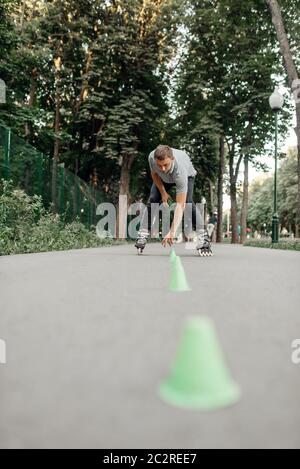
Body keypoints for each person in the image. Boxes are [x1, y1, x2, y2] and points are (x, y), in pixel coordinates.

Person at [135, 145, 212, 254]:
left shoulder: (180, 171)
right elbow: (155, 174)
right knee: (153, 199)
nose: (163, 169)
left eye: (165, 165)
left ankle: (203, 237)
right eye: (159, 165)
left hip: (187, 176)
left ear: (172, 159)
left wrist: (172, 232)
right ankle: (142, 234)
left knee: (188, 203)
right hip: (163, 179)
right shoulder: (152, 157)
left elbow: (180, 205)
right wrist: (163, 193)